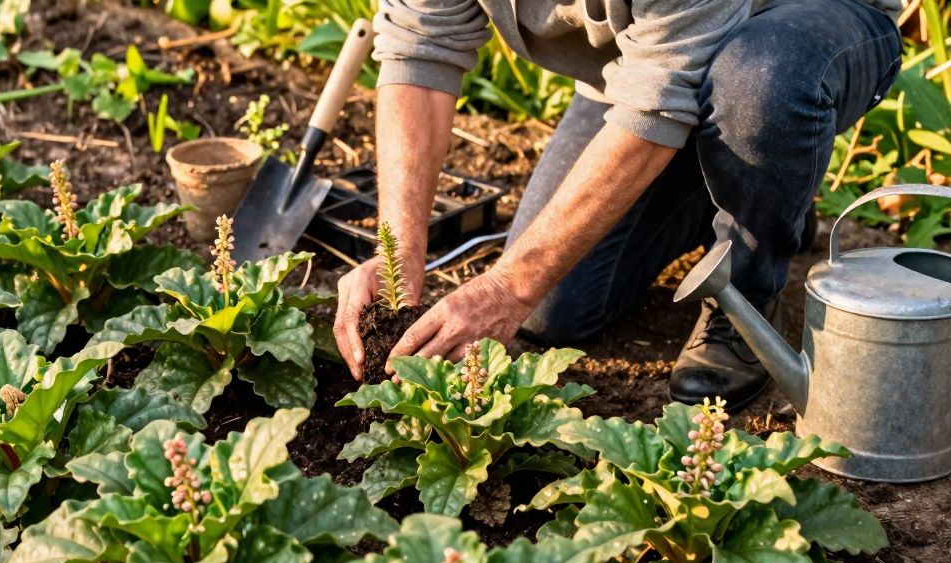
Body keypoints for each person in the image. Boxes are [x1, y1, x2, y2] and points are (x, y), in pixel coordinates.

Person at [333, 0, 902, 410]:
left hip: (799, 31)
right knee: (552, 307)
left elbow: (657, 107)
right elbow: (421, 49)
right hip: (651, 65)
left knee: (761, 80)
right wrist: (396, 257)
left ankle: (749, 292)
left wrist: (505, 288)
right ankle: (745, 185)